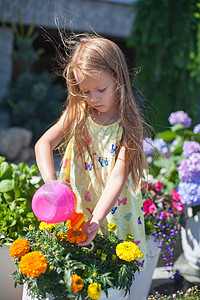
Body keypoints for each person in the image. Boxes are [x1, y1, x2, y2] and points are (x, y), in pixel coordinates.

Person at [35, 34, 147, 263]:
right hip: (76, 203)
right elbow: (43, 144)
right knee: (77, 262)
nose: (93, 98)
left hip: (113, 208)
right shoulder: (79, 112)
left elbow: (117, 176)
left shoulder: (129, 125)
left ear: (118, 79)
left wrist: (96, 219)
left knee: (112, 264)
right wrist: (52, 184)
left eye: (100, 89)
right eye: (85, 91)